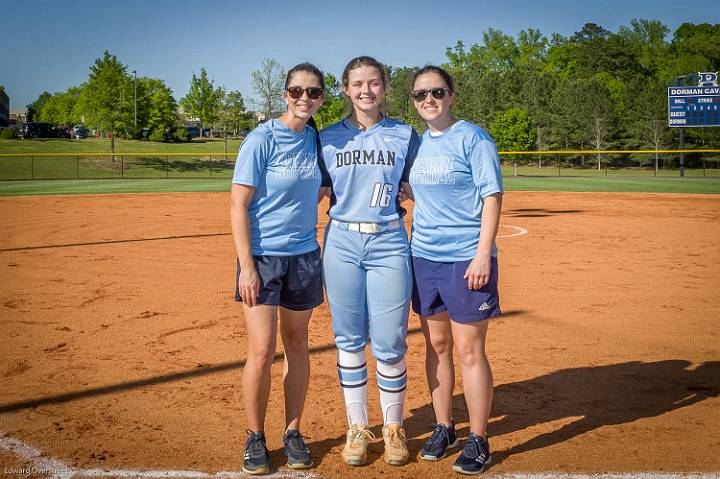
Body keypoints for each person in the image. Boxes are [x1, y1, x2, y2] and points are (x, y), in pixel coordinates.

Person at [319, 56, 419, 467]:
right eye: (358, 83)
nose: (366, 90)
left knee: (390, 340)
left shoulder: (404, 134)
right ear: (345, 88)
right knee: (347, 338)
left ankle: (393, 427)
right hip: (341, 241)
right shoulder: (325, 137)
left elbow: (417, 183)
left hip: (389, 242)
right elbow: (316, 188)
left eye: (374, 83)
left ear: (384, 87)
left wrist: (408, 195)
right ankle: (357, 427)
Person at [230, 62, 328, 475]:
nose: (303, 98)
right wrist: (247, 267)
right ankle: (255, 436)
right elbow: (237, 204)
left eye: (313, 92)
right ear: (284, 94)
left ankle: (292, 431)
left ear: (322, 97)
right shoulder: (262, 138)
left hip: (304, 255)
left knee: (298, 344)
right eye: (296, 91)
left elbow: (327, 185)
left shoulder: (316, 139)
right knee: (261, 348)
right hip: (264, 258)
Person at [406, 65, 503, 475]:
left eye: (437, 92)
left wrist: (483, 255)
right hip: (424, 255)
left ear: (452, 94)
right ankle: (444, 425)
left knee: (469, 351)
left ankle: (479, 439)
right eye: (420, 94)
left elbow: (492, 196)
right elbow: (413, 190)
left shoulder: (473, 137)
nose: (429, 100)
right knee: (437, 346)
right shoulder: (418, 144)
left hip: (466, 258)